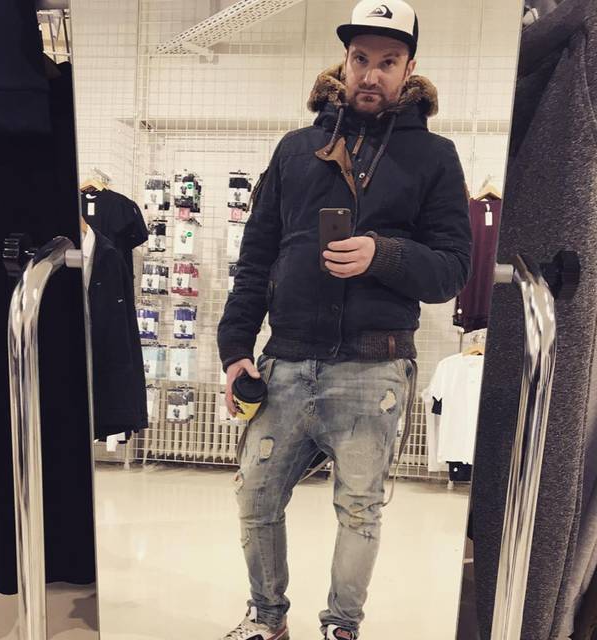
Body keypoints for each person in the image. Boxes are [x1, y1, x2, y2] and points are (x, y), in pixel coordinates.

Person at [216, 1, 472, 638]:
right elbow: (256, 256)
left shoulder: (435, 156)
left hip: (374, 366)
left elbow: (452, 270)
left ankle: (342, 625)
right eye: (361, 58)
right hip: (284, 360)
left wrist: (382, 254)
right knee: (254, 497)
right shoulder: (296, 149)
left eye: (388, 61)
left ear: (409, 68)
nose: (371, 74)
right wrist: (235, 348)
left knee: (359, 509)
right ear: (344, 61)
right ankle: (267, 619)